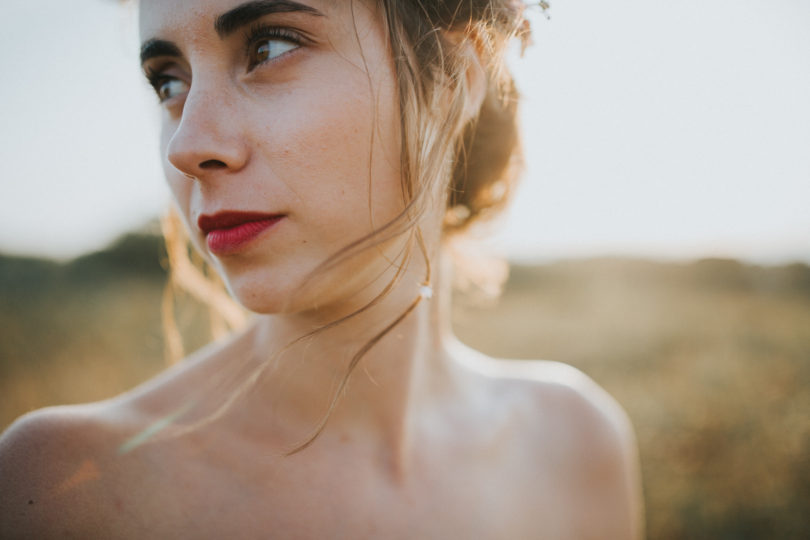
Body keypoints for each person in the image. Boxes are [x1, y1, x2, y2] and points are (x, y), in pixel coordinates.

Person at [0, 0, 643, 537]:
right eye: (170, 81)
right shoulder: (66, 487)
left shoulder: (576, 443)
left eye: (269, 48)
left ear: (455, 82)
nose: (188, 145)